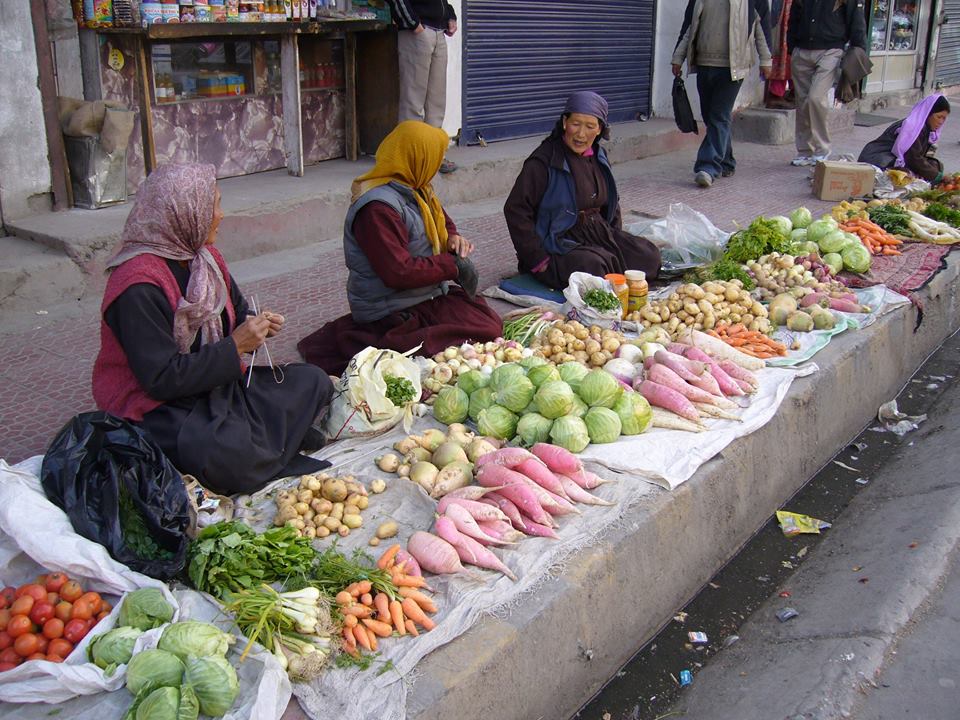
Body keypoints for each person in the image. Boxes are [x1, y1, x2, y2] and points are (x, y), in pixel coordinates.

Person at [91, 163, 334, 496]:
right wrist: (235, 347)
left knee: (313, 381)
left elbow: (235, 312)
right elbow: (161, 380)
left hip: (215, 386)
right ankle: (266, 445)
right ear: (185, 214)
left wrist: (256, 324)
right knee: (226, 455)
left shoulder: (205, 260)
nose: (220, 215)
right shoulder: (137, 286)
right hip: (159, 406)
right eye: (214, 205)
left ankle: (264, 444)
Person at [297, 121, 502, 376]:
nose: (438, 166)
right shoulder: (377, 209)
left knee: (484, 318)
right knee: (479, 330)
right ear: (418, 157)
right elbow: (398, 272)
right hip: (391, 305)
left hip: (424, 294)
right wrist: (452, 266)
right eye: (437, 158)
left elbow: (443, 220)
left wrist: (452, 237)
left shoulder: (417, 188)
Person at [503, 91, 661, 290]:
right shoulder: (544, 162)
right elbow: (515, 210)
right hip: (558, 243)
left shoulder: (599, 156)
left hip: (598, 234)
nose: (581, 134)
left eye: (590, 126)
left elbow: (612, 201)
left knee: (648, 256)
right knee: (595, 267)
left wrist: (615, 236)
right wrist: (537, 258)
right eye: (575, 124)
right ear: (564, 123)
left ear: (600, 129)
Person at [671, 0, 773, 188]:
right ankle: (726, 161)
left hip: (733, 68)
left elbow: (762, 29)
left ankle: (707, 167)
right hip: (704, 64)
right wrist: (678, 57)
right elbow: (689, 27)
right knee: (710, 117)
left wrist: (766, 60)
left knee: (719, 116)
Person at [787, 0, 867, 166]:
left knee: (815, 99)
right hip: (802, 50)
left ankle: (822, 149)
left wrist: (859, 51)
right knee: (802, 102)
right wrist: (792, 47)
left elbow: (856, 21)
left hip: (831, 50)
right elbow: (793, 18)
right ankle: (804, 151)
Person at [387, 0, 458, 173]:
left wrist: (449, 14)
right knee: (413, 100)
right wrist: (412, 22)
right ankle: (410, 159)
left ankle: (434, 155)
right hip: (417, 32)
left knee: (436, 101)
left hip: (438, 31)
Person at [858, 95, 950, 184]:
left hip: (894, 159)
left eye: (944, 118)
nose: (941, 122)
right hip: (878, 160)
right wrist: (936, 176)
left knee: (935, 165)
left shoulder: (925, 128)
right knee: (906, 175)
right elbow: (913, 158)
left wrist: (935, 173)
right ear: (928, 114)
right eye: (939, 117)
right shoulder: (913, 127)